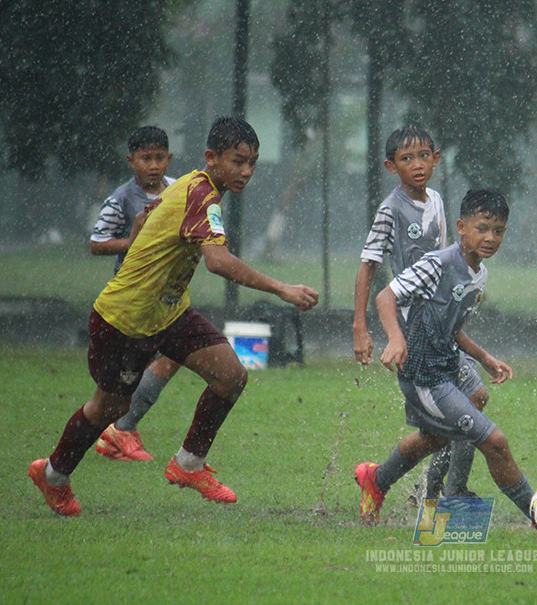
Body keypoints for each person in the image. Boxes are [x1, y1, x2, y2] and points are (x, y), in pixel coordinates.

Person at [28, 116, 319, 517]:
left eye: (252, 163)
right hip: (125, 319)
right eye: (238, 161)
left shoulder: (190, 185)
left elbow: (150, 218)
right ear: (211, 158)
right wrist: (282, 288)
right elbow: (217, 261)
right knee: (108, 408)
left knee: (231, 376)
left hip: (169, 312)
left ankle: (188, 464)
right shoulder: (201, 195)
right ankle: (53, 474)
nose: (246, 171)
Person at [354, 188, 535, 527]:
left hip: (448, 364)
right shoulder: (437, 264)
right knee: (494, 441)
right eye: (482, 228)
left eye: (498, 231)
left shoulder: (479, 273)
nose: (490, 238)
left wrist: (484, 357)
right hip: (425, 375)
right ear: (461, 227)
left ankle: (377, 479)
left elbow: (451, 327)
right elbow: (385, 297)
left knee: (446, 429)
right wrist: (396, 338)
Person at [352, 124, 488, 500]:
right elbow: (368, 265)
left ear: (436, 159)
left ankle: (412, 484)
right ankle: (428, 488)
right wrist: (360, 326)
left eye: (424, 156)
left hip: (441, 322)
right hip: (414, 328)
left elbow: (443, 259)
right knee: (456, 416)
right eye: (407, 158)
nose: (417, 164)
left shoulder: (438, 201)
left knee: (467, 405)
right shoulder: (390, 210)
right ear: (390, 166)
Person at [89, 125, 179, 461]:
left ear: (169, 158)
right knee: (135, 370)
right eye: (145, 158)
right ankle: (118, 431)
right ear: (131, 161)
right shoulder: (122, 199)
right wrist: (132, 240)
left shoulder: (177, 191)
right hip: (134, 296)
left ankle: (119, 431)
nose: (153, 165)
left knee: (163, 359)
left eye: (159, 158)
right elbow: (97, 243)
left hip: (166, 296)